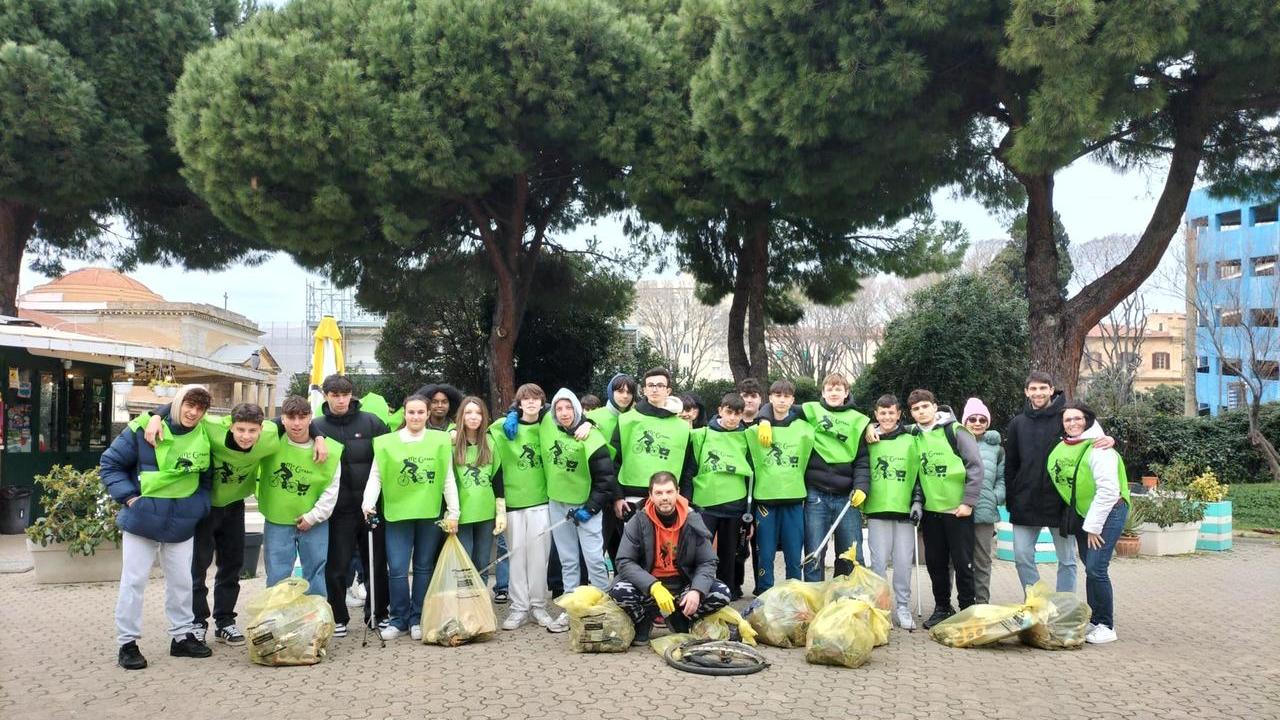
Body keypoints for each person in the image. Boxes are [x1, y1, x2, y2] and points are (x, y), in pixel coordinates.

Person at [140, 401, 329, 646]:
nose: (246, 436)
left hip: (234, 506)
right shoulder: (213, 426)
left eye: (252, 431)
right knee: (197, 567)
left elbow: (299, 420)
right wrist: (155, 416)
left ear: (262, 429)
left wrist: (321, 437)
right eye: (240, 430)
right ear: (230, 426)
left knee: (232, 566)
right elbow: (183, 405)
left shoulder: (271, 433)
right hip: (205, 506)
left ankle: (225, 621)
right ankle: (198, 622)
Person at [102, 385, 215, 670]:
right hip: (143, 519)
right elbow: (110, 463)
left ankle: (181, 637)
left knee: (182, 583)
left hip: (182, 521)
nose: (193, 412)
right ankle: (127, 643)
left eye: (200, 408)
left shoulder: (205, 434)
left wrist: (199, 506)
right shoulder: (143, 429)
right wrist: (129, 498)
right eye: (189, 404)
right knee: (133, 581)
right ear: (177, 403)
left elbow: (206, 478)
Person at [363, 394, 458, 641]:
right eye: (411, 412)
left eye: (420, 412)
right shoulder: (385, 442)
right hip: (397, 513)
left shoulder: (440, 440)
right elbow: (377, 475)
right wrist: (368, 502)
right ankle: (398, 620)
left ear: (428, 415)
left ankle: (419, 618)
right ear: (404, 414)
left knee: (423, 567)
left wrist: (454, 511)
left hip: (429, 512)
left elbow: (447, 478)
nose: (415, 417)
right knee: (396, 568)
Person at [608, 471, 732, 644]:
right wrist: (653, 586)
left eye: (669, 492)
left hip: (682, 583)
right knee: (619, 591)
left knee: (722, 594)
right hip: (649, 585)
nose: (664, 497)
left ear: (677, 492)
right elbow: (624, 561)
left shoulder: (693, 520)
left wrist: (696, 590)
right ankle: (644, 619)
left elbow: (708, 561)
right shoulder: (638, 520)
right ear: (650, 495)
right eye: (658, 493)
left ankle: (680, 616)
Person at [310, 373, 391, 637]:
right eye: (335, 395)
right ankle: (338, 617)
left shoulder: (372, 422)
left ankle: (378, 614)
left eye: (345, 395)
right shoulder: (317, 427)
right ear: (326, 396)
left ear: (352, 395)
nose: (341, 400)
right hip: (338, 510)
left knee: (376, 563)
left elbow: (389, 458)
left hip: (371, 508)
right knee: (337, 565)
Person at [1050, 401, 1128, 644]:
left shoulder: (1099, 448)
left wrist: (1093, 527)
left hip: (1109, 510)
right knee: (1090, 567)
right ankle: (1094, 621)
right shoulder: (1066, 445)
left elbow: (1108, 491)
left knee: (1096, 568)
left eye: (1078, 418)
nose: (1073, 423)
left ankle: (1106, 625)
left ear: (1088, 420)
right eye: (1068, 420)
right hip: (1086, 513)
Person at [906, 390, 983, 629]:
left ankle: (968, 608)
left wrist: (968, 502)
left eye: (924, 407)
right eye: (916, 409)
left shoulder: (956, 431)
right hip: (932, 511)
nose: (921, 412)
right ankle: (942, 607)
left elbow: (976, 467)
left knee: (963, 563)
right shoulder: (913, 434)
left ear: (935, 406)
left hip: (958, 510)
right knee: (936, 563)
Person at [1005, 372, 1087, 594]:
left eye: (1043, 388)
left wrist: (1107, 440)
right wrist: (1012, 499)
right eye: (1033, 389)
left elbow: (1088, 438)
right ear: (1026, 392)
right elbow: (1010, 465)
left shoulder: (1065, 418)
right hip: (1025, 502)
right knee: (1022, 557)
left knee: (1067, 560)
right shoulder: (1017, 424)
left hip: (1060, 504)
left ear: (1052, 390)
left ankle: (1063, 608)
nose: (1038, 393)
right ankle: (1036, 603)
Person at [489, 383, 560, 631]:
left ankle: (538, 606)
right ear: (518, 404)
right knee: (516, 556)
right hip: (513, 503)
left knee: (539, 558)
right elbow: (474, 433)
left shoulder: (550, 426)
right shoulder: (502, 427)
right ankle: (519, 607)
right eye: (525, 399)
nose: (531, 403)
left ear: (543, 403)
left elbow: (577, 420)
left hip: (541, 502)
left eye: (535, 398)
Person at [258, 396, 343, 599]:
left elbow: (332, 490)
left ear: (310, 418)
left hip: (314, 522)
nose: (297, 423)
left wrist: (313, 517)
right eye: (291, 417)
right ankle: (275, 617)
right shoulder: (270, 442)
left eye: (302, 417)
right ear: (283, 419)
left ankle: (316, 618)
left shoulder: (329, 451)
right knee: (277, 574)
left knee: (315, 572)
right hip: (277, 519)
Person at [542, 389, 616, 600]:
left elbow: (605, 479)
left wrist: (590, 508)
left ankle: (604, 603)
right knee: (568, 560)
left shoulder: (591, 437)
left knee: (593, 558)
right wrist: (512, 414)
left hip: (586, 507)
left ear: (576, 409)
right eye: (559, 408)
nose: (564, 413)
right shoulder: (550, 428)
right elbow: (530, 405)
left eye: (568, 407)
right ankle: (571, 604)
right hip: (558, 504)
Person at [797, 372, 871, 580]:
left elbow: (863, 461)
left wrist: (862, 488)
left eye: (838, 389)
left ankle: (850, 598)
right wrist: (765, 419)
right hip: (816, 495)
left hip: (847, 497)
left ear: (846, 392)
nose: (834, 392)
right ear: (823, 392)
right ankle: (815, 599)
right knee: (814, 552)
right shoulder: (810, 410)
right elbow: (779, 409)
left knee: (851, 554)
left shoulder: (859, 421)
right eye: (829, 389)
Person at [681, 392, 752, 599]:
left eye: (737, 414)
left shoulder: (747, 437)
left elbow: (751, 475)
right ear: (720, 410)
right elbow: (690, 471)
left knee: (729, 555)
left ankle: (725, 595)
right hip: (705, 505)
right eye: (729, 412)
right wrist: (687, 502)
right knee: (699, 551)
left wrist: (750, 511)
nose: (732, 418)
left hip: (735, 506)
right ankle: (694, 592)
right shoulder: (702, 435)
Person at [747, 380, 814, 595]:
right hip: (765, 501)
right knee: (764, 554)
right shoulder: (754, 430)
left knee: (794, 555)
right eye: (777, 395)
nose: (782, 400)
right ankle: (765, 595)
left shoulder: (805, 428)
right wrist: (762, 419)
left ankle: (793, 596)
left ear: (793, 400)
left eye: (786, 396)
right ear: (770, 398)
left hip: (794, 499)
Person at [862, 394, 922, 630]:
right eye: (882, 413)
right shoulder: (868, 438)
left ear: (898, 415)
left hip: (904, 511)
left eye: (891, 413)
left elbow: (919, 474)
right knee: (878, 565)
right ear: (876, 415)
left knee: (903, 563)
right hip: (877, 510)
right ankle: (881, 608)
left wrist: (917, 501)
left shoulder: (911, 440)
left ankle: (903, 607)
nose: (887, 417)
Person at [610, 367, 694, 532]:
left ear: (668, 390)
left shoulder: (682, 427)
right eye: (651, 385)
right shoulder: (626, 420)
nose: (655, 389)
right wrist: (617, 497)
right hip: (632, 496)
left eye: (660, 385)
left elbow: (688, 467)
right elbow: (613, 462)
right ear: (644, 390)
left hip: (668, 498)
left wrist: (685, 499)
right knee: (635, 551)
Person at [452, 396, 506, 587]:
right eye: (468, 412)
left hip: (485, 512)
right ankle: (465, 601)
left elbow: (498, 478)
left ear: (484, 417)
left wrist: (501, 512)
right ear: (461, 416)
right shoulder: (450, 443)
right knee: (464, 562)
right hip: (461, 513)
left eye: (478, 413)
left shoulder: (491, 443)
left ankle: (481, 599)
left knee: (482, 561)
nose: (474, 417)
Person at [587, 373, 636, 563]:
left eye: (629, 392)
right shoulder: (592, 417)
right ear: (610, 392)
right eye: (620, 391)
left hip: (625, 489)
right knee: (597, 549)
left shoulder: (635, 418)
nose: (625, 396)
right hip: (599, 491)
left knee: (626, 549)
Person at [962, 398, 1005, 605]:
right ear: (965, 421)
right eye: (972, 418)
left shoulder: (997, 449)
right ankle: (960, 603)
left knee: (982, 560)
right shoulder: (954, 442)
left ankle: (982, 603)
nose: (977, 423)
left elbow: (1002, 478)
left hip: (984, 511)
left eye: (982, 419)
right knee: (957, 560)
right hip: (958, 510)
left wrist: (996, 497)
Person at [731, 377, 765, 597]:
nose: (749, 400)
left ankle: (762, 585)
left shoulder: (767, 423)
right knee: (737, 541)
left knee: (761, 543)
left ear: (760, 400)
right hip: (737, 489)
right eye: (745, 396)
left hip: (762, 490)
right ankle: (734, 585)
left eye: (753, 396)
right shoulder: (731, 423)